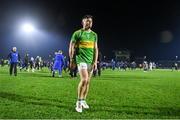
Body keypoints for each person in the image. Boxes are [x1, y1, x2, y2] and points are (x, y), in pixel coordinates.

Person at [69, 15, 98, 112]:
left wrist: (95, 62)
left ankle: (84, 100)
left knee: (88, 82)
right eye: (87, 21)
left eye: (90, 21)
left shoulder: (94, 35)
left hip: (90, 60)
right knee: (84, 79)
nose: (89, 23)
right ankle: (78, 102)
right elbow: (71, 47)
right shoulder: (77, 33)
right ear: (83, 22)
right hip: (80, 59)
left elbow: (96, 49)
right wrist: (72, 60)